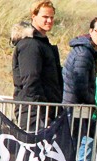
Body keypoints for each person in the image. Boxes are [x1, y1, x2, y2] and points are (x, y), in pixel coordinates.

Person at [62, 16, 97, 161]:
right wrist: (93, 104)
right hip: (73, 109)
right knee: (72, 151)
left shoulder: (89, 51)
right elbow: (80, 86)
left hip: (80, 110)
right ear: (91, 31)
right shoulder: (84, 53)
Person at [11, 0, 63, 131]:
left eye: (51, 17)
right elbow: (30, 82)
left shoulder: (42, 43)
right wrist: (44, 112)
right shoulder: (30, 44)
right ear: (33, 16)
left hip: (45, 111)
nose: (49, 21)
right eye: (45, 17)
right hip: (34, 113)